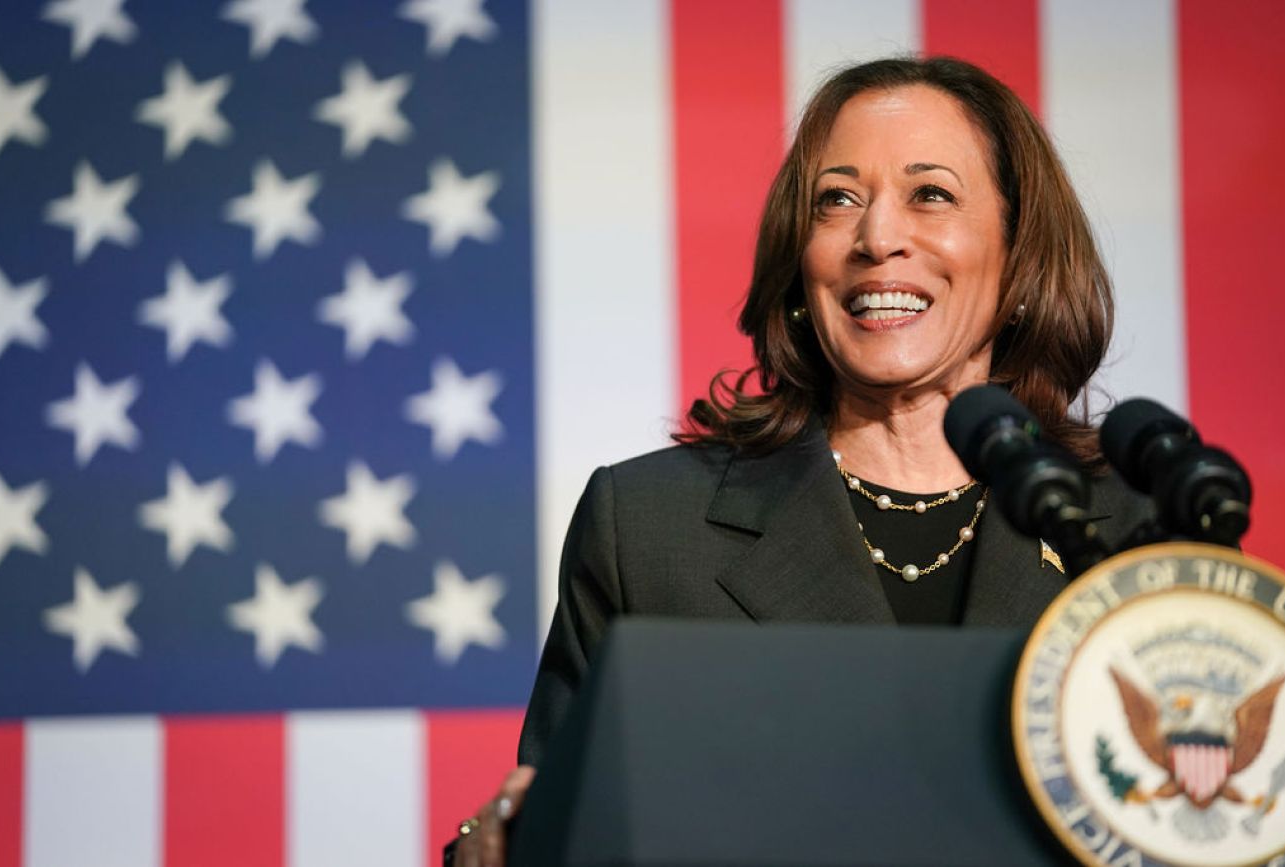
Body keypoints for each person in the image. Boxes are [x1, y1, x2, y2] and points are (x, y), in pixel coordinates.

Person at [450, 55, 1152, 866]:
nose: (878, 237)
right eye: (837, 200)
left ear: (1021, 254)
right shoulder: (647, 528)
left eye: (931, 193)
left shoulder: (1133, 527)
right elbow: (550, 832)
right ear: (799, 263)